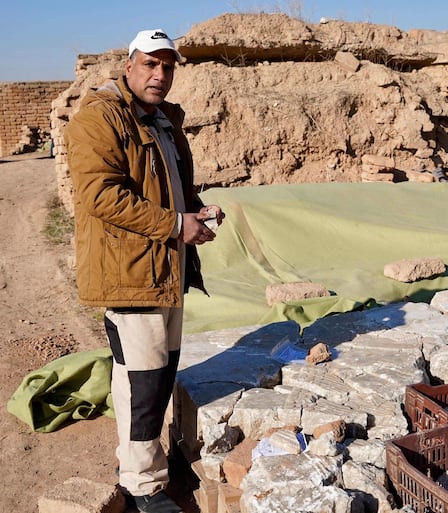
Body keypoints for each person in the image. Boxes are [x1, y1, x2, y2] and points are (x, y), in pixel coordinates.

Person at [64, 29, 224, 513]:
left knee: (155, 373)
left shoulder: (162, 119)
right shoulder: (98, 119)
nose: (160, 75)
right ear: (128, 65)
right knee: (144, 384)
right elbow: (100, 196)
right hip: (131, 270)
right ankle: (143, 488)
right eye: (150, 64)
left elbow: (170, 184)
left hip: (165, 267)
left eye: (168, 66)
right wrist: (177, 225)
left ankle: (142, 463)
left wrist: (195, 209)